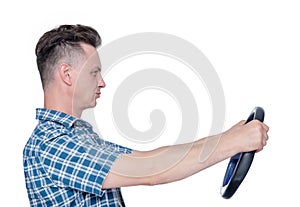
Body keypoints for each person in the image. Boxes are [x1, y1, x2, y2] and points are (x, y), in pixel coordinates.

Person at [23, 24, 269, 207]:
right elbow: (150, 171)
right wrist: (234, 142)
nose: (102, 82)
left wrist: (228, 138)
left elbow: (150, 157)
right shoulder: (52, 143)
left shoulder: (78, 136)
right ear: (67, 74)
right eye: (94, 72)